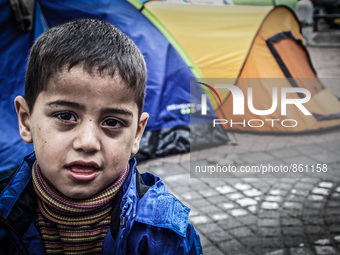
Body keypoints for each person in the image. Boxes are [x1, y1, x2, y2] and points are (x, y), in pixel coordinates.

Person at [0, 19, 202, 255]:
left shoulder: (166, 236)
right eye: (65, 116)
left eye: (112, 122)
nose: (87, 143)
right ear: (26, 120)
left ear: (137, 133)